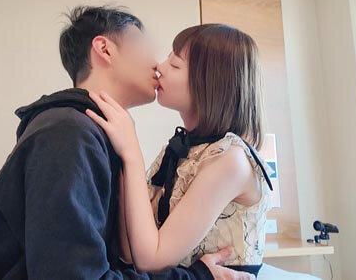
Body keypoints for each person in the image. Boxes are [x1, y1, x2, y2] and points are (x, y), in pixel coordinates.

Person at [0, 6, 254, 279]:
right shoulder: (67, 134)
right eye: (145, 48)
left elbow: (121, 259)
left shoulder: (92, 136)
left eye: (174, 64)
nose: (157, 64)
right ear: (104, 49)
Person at [86, 24, 273, 277]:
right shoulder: (180, 151)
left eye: (174, 65)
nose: (159, 67)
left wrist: (131, 152)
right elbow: (130, 251)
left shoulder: (231, 160)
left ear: (210, 83)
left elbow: (150, 261)